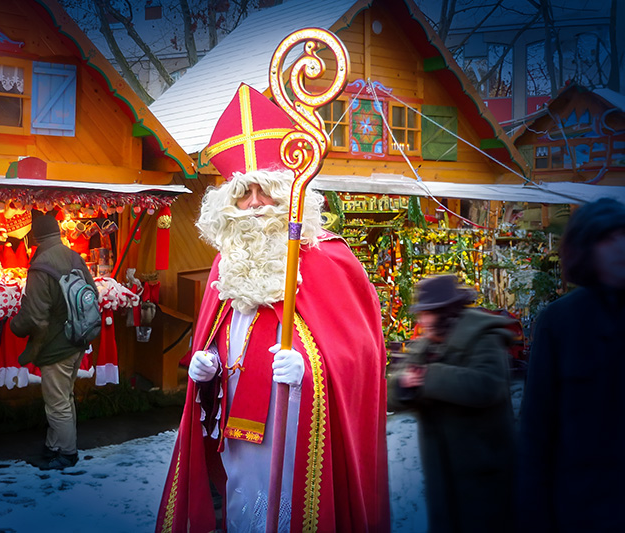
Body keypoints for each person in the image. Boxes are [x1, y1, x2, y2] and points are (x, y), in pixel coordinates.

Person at [155, 84, 389, 532]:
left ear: (290, 194)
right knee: (243, 509)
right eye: (244, 194)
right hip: (236, 433)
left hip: (299, 428)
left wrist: (311, 372)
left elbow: (360, 356)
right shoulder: (228, 261)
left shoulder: (328, 259)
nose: (255, 203)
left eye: (265, 190)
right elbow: (222, 333)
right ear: (229, 203)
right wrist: (208, 367)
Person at [517, 198, 625, 532]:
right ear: (587, 249)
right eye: (607, 238)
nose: (619, 247)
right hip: (582, 505)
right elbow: (536, 428)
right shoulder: (560, 321)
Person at [387, 274, 516, 533]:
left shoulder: (484, 336)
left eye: (427, 314)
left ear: (444, 312)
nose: (421, 321)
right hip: (443, 473)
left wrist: (428, 377)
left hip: (483, 469)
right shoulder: (427, 344)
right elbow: (394, 391)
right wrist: (404, 384)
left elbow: (486, 386)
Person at [10, 214, 97, 470]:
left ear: (35, 238)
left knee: (57, 401)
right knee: (63, 396)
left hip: (55, 345)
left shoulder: (40, 266)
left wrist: (15, 326)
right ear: (57, 232)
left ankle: (67, 453)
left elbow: (35, 317)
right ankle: (53, 445)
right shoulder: (73, 257)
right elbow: (92, 294)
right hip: (77, 338)